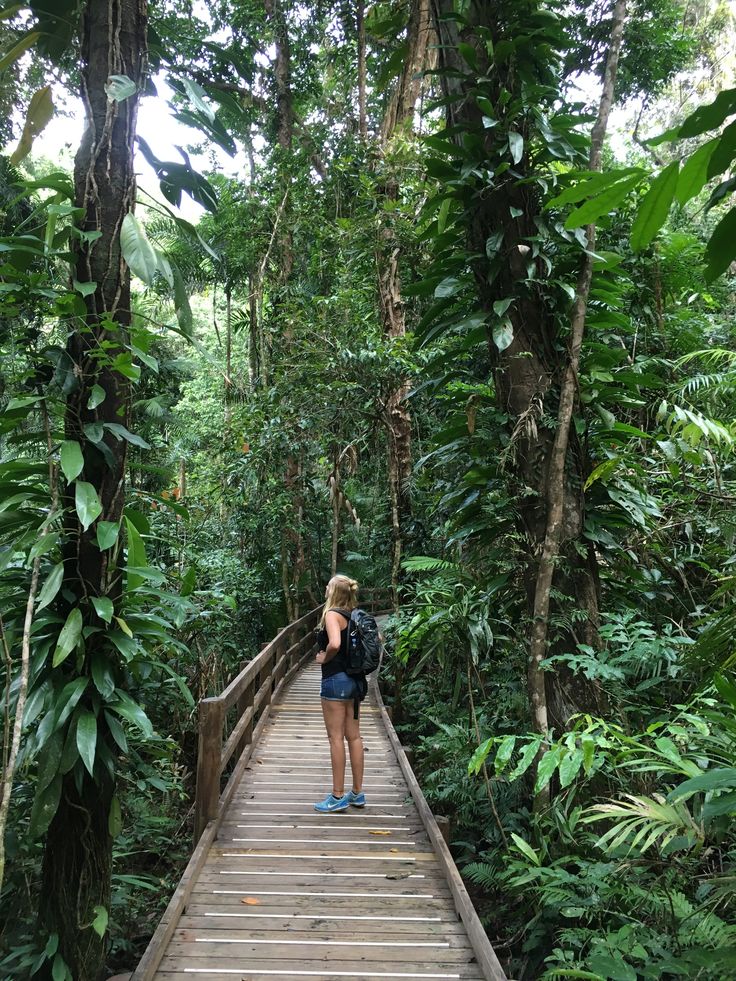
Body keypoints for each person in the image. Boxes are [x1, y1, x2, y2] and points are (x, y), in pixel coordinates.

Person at [313, 574, 366, 813]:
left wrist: (325, 657)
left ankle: (337, 796)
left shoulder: (333, 614)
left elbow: (334, 643)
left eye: (328, 585)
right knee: (353, 737)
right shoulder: (355, 615)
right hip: (355, 681)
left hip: (335, 681)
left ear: (334, 591)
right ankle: (357, 793)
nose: (325, 587)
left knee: (335, 738)